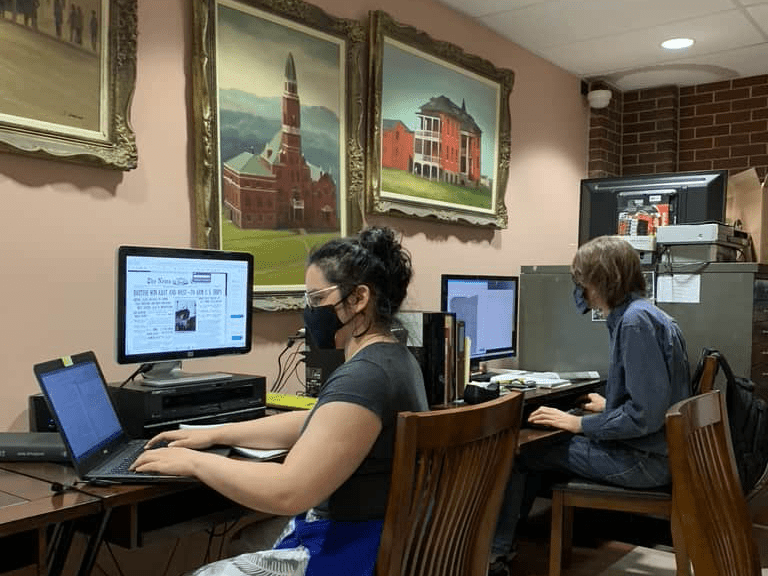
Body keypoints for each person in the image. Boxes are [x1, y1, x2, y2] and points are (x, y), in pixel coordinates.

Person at [132, 226, 428, 576]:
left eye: (318, 299)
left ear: (359, 299)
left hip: (350, 551)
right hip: (380, 537)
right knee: (245, 541)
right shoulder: (393, 358)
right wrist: (217, 433)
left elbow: (288, 491)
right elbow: (318, 422)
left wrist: (194, 463)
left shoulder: (365, 376)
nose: (310, 311)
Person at [489, 235, 691, 576]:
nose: (579, 288)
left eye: (581, 279)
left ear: (601, 280)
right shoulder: (644, 314)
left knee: (521, 454)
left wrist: (578, 424)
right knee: (545, 441)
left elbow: (645, 416)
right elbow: (654, 396)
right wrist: (608, 405)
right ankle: (508, 545)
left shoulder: (633, 323)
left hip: (646, 462)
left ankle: (495, 556)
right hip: (659, 453)